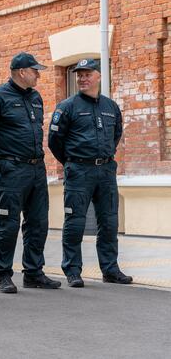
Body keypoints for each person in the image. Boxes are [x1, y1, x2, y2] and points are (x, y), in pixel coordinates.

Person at [0, 53, 61, 293]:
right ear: (22, 72)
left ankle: (34, 273)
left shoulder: (35, 97)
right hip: (12, 169)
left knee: (38, 222)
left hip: (36, 168)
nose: (38, 74)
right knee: (8, 222)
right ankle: (3, 274)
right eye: (35, 70)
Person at [48, 58, 133, 288]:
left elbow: (116, 134)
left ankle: (110, 269)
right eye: (79, 75)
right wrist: (72, 163)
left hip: (105, 170)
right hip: (79, 171)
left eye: (87, 74)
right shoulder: (67, 106)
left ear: (98, 76)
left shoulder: (110, 107)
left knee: (109, 222)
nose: (82, 78)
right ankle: (73, 270)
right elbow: (54, 141)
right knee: (75, 222)